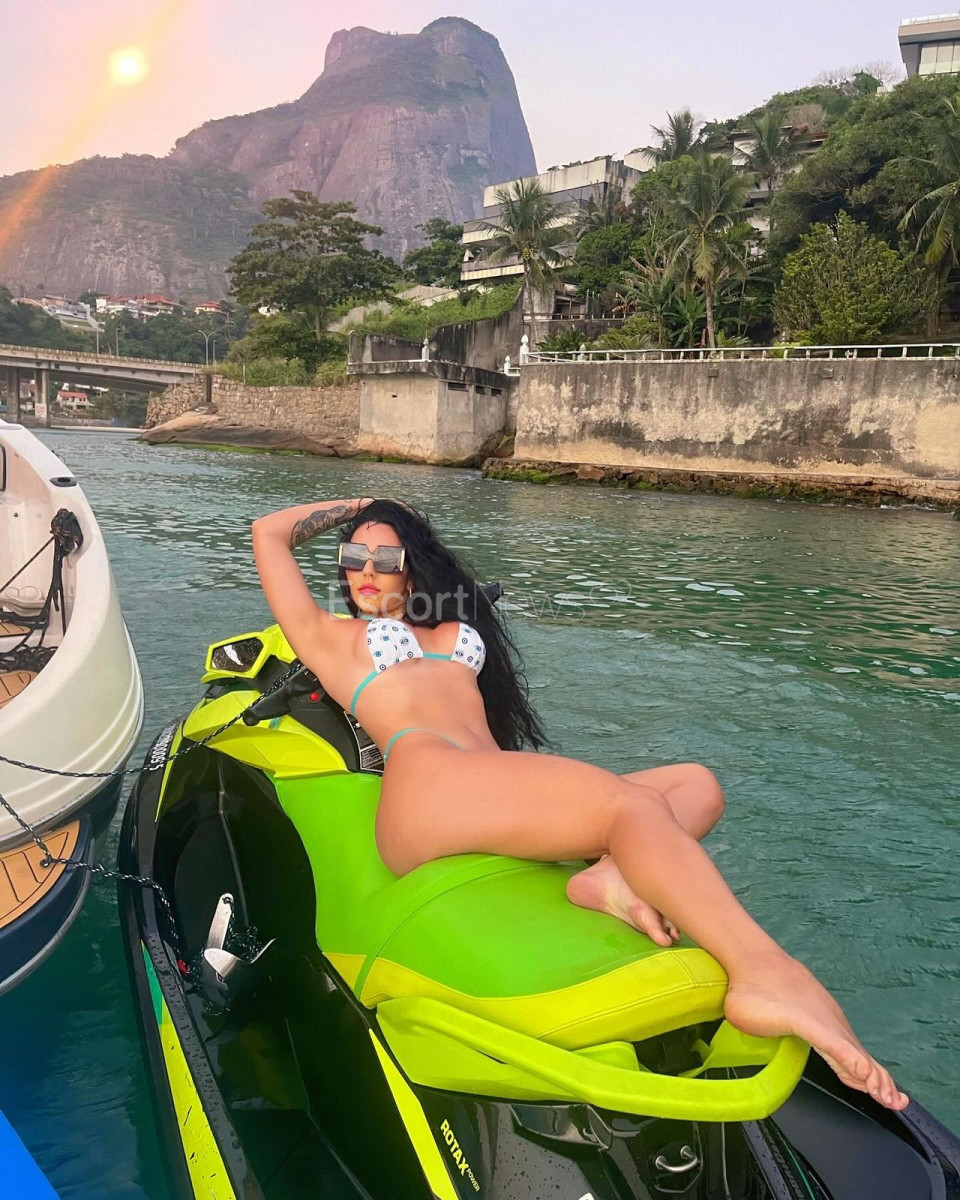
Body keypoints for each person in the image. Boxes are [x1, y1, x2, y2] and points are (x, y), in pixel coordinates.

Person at [252, 495, 908, 1112]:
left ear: (413, 566)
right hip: (425, 790)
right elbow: (269, 533)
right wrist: (362, 507)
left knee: (696, 785)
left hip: (483, 782)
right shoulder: (330, 636)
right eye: (354, 556)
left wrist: (393, 523)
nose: (366, 571)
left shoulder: (448, 627)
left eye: (385, 556)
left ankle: (610, 878)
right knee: (627, 810)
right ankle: (763, 972)